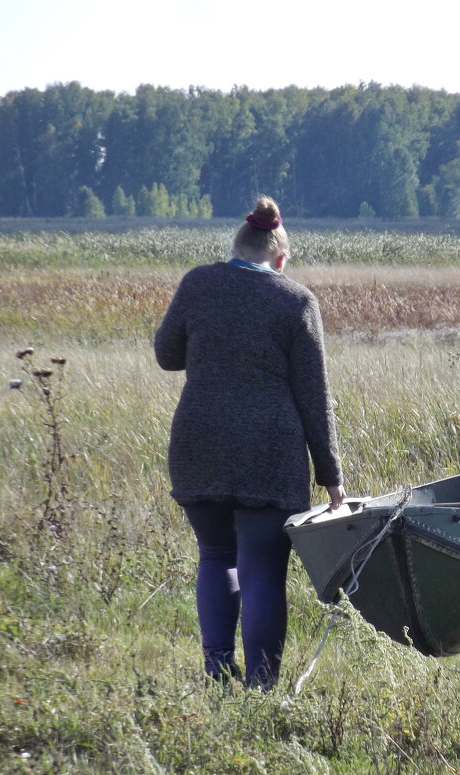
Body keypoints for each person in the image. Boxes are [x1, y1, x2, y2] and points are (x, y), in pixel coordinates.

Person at [155, 196, 346, 690]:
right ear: (281, 259)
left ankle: (217, 669)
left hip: (198, 444)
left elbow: (166, 354)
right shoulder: (296, 301)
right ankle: (262, 687)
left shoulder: (198, 282)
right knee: (262, 570)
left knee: (216, 555)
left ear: (234, 247)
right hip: (269, 454)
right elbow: (314, 396)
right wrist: (331, 477)